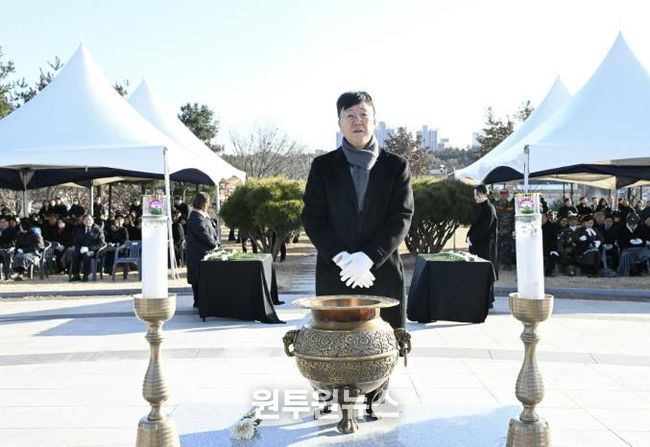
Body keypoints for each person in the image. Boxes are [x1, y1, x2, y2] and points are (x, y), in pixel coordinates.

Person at [302, 91, 414, 330]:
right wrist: (341, 257)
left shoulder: (396, 166)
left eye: (363, 114)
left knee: (384, 344)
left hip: (382, 273)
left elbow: (401, 216)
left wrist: (369, 257)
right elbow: (313, 218)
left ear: (375, 120)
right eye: (350, 115)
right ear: (339, 123)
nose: (357, 121)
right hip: (336, 274)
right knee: (335, 345)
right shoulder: (323, 167)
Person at [185, 192, 219, 308]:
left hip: (204, 253)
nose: (208, 205)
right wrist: (214, 245)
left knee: (202, 280)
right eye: (207, 202)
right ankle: (199, 303)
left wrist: (216, 242)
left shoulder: (203, 215)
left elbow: (212, 231)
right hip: (197, 254)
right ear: (202, 203)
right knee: (198, 280)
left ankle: (203, 302)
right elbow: (203, 234)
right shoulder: (195, 217)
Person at [467, 184, 498, 305]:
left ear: (485, 194)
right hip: (477, 245)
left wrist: (472, 238)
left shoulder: (489, 208)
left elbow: (484, 228)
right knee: (479, 273)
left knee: (486, 273)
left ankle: (488, 300)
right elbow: (474, 225)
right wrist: (468, 236)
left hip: (486, 247)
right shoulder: (479, 207)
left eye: (477, 194)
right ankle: (480, 298)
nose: (475, 197)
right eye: (474, 194)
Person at [70, 214, 105, 282]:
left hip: (93, 250)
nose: (88, 221)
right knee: (75, 254)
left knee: (86, 254)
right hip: (81, 248)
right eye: (86, 220)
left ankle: (86, 275)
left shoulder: (98, 229)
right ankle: (76, 275)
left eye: (89, 220)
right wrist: (79, 248)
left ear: (93, 221)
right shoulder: (79, 228)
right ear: (83, 221)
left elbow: (101, 243)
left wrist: (88, 248)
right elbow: (75, 241)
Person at [493, 187, 514, 270]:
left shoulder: (511, 205)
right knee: (496, 248)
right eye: (502, 194)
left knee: (507, 248)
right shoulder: (495, 204)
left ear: (508, 195)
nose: (503, 195)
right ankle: (495, 265)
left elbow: (513, 217)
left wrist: (513, 229)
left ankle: (507, 265)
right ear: (500, 195)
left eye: (505, 194)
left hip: (508, 230)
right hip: (498, 230)